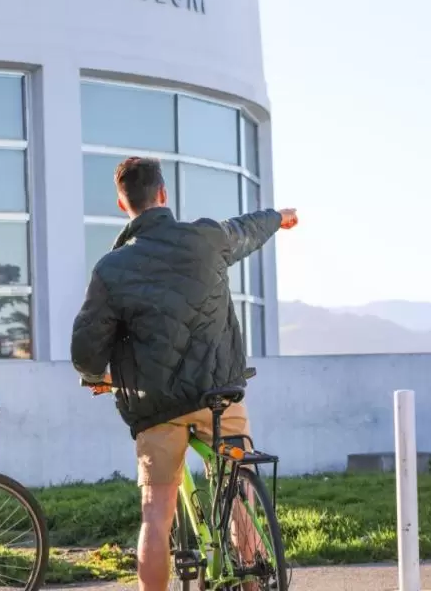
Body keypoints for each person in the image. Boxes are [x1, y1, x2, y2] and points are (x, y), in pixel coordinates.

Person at [71, 156, 298, 591]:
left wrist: (99, 376)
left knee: (156, 511)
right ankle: (252, 579)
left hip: (158, 405)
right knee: (237, 493)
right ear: (163, 194)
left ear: (123, 205)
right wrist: (280, 217)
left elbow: (85, 350)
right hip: (220, 392)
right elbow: (246, 228)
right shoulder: (207, 238)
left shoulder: (111, 268)